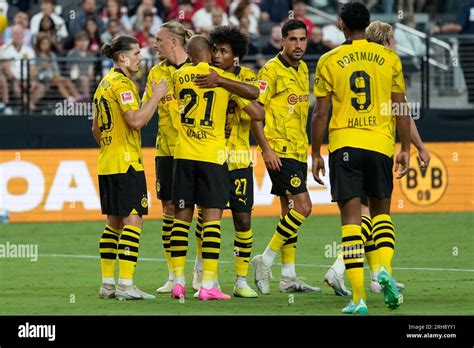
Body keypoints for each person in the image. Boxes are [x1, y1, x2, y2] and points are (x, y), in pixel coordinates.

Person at [312, 2, 410, 314]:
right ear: (367, 24)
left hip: (345, 146)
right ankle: (384, 272)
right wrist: (405, 148)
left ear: (340, 24)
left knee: (352, 223)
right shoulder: (389, 58)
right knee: (381, 214)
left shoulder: (329, 59)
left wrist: (315, 152)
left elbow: (321, 112)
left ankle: (358, 299)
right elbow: (400, 107)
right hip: (380, 145)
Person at [323, 20, 431, 297]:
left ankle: (372, 277)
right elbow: (402, 113)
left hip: (346, 147)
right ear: (386, 40)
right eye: (392, 39)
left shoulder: (343, 62)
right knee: (370, 216)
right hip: (377, 147)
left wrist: (417, 146)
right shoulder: (386, 64)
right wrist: (415, 148)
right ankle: (343, 269)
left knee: (361, 217)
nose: (394, 44)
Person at [169, 35, 264, 301]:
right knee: (212, 221)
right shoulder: (221, 80)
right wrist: (223, 84)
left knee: (182, 219)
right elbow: (257, 105)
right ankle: (208, 284)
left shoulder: (179, 76)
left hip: (184, 154)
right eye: (216, 50)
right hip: (213, 156)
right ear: (210, 53)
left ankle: (178, 282)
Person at [92, 35, 169, 301]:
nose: (140, 57)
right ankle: (125, 284)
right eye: (136, 53)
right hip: (126, 164)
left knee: (113, 223)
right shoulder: (123, 84)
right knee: (133, 220)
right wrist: (157, 96)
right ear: (122, 57)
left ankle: (107, 284)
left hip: (107, 162)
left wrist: (113, 143)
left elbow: (95, 129)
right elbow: (136, 121)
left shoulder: (103, 84)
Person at [251, 19, 320, 295]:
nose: (299, 45)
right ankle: (265, 259)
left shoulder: (303, 69)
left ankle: (288, 276)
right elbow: (255, 113)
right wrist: (266, 149)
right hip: (280, 151)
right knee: (303, 207)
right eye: (293, 39)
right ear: (282, 41)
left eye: (303, 39)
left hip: (298, 150)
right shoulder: (270, 71)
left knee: (288, 211)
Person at [141, 21, 193, 294]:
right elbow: (146, 110)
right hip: (166, 152)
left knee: (200, 211)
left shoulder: (197, 69)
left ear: (173, 41)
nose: (154, 44)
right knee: (169, 210)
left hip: (195, 151)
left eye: (159, 40)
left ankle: (200, 272)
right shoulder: (155, 73)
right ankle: (174, 274)